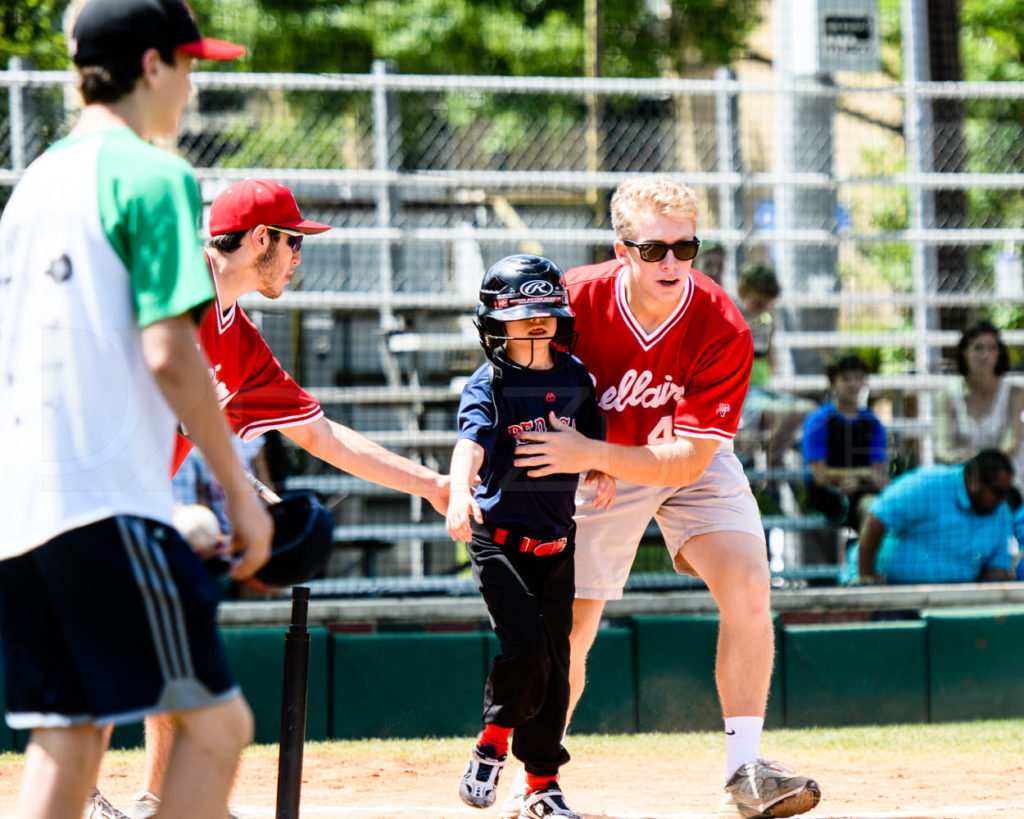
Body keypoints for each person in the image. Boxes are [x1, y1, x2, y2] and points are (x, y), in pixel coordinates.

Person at [97, 176, 453, 819]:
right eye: (293, 243)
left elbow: (320, 436)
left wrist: (430, 484)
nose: (297, 257)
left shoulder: (240, 339)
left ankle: (157, 799)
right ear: (259, 238)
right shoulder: (170, 286)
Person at [0, 1, 274, 818]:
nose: (192, 85)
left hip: (22, 509)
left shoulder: (31, 186)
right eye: (189, 65)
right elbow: (170, 351)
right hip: (104, 502)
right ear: (150, 64)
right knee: (218, 726)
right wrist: (237, 486)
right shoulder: (154, 175)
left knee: (69, 735)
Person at [512, 176, 821, 818]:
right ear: (622, 249)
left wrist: (597, 455)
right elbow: (514, 390)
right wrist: (583, 457)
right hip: (590, 462)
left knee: (747, 583)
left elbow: (694, 456)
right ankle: (536, 779)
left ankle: (746, 770)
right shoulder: (569, 302)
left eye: (687, 249)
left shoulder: (721, 322)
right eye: (654, 251)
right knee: (573, 626)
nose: (672, 264)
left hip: (674, 453)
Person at [447, 255, 614, 819]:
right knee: (527, 651)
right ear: (494, 322)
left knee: (558, 666)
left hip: (556, 545)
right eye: (521, 316)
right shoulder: (489, 382)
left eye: (545, 313)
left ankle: (543, 784)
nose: (536, 323)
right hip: (499, 542)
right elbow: (469, 444)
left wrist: (603, 467)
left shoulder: (575, 375)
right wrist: (456, 491)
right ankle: (492, 746)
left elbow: (594, 435)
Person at [853, 449, 1020, 585]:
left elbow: (996, 572)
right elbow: (875, 519)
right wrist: (866, 578)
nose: (1003, 499)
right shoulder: (928, 484)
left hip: (957, 602)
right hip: (896, 593)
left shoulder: (1001, 513)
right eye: (998, 492)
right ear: (975, 481)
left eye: (1006, 492)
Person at [733, 263, 814, 475]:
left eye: (768, 303)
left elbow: (771, 362)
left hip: (763, 390)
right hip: (740, 394)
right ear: (743, 293)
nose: (764, 308)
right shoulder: (729, 318)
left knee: (808, 410)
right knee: (788, 413)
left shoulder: (766, 321)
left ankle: (772, 465)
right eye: (759, 302)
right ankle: (772, 472)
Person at [800, 353, 888, 534]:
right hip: (827, 494)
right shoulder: (819, 421)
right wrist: (858, 475)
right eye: (846, 378)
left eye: (858, 378)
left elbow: (878, 471)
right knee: (870, 509)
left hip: (864, 490)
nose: (853, 384)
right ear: (833, 385)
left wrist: (860, 479)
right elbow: (819, 475)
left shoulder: (873, 423)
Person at [935, 320, 1024, 481]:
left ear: (999, 352)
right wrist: (967, 463)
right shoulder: (946, 395)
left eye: (991, 348)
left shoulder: (1016, 394)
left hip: (1007, 482)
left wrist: (977, 461)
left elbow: (1011, 444)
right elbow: (942, 449)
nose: (985, 355)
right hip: (964, 480)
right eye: (978, 348)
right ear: (964, 352)